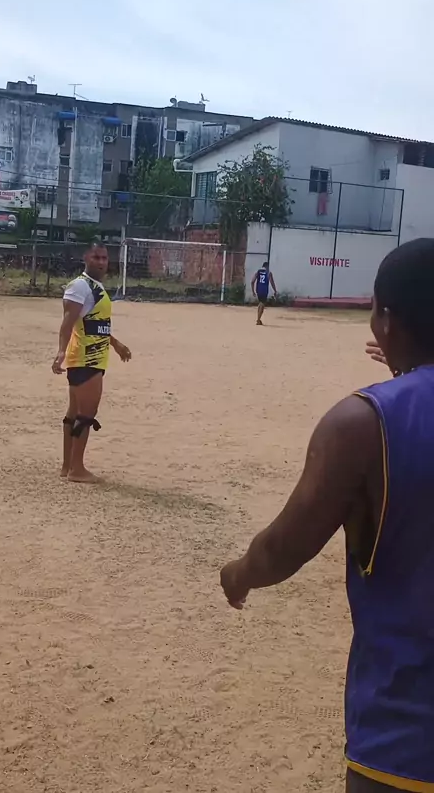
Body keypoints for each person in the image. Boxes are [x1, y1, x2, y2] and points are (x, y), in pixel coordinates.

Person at [221, 238, 434, 792]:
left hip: (406, 737)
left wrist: (238, 574)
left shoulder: (362, 424)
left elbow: (283, 550)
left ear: (385, 320)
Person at [52, 241, 131, 483]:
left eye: (104, 258)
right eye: (96, 257)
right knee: (85, 415)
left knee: (75, 413)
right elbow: (68, 322)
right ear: (86, 257)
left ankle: (68, 466)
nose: (101, 262)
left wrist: (115, 344)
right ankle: (77, 469)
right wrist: (61, 351)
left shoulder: (95, 287)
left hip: (92, 355)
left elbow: (95, 324)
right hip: (87, 357)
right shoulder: (81, 285)